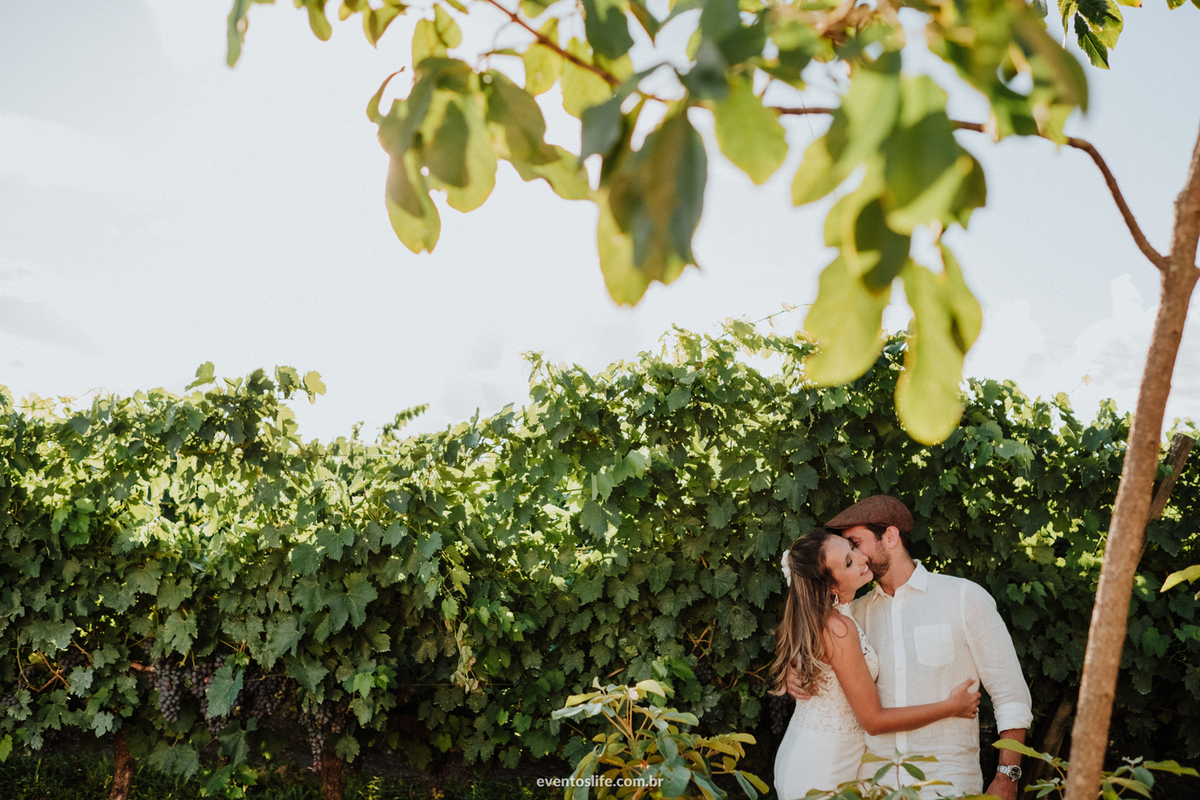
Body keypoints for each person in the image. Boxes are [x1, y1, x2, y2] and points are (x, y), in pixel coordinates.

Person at [786, 496, 1033, 800]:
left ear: (889, 537)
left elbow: (1011, 696)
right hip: (872, 784)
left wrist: (1007, 777)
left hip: (945, 781)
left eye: (855, 542)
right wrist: (795, 670)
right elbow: (819, 653)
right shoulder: (854, 614)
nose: (855, 554)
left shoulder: (964, 598)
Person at [772, 527, 982, 800]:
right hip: (824, 767)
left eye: (852, 548)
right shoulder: (838, 628)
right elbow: (873, 720)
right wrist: (950, 707)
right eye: (848, 562)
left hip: (809, 754)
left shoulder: (824, 618)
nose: (861, 558)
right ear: (831, 586)